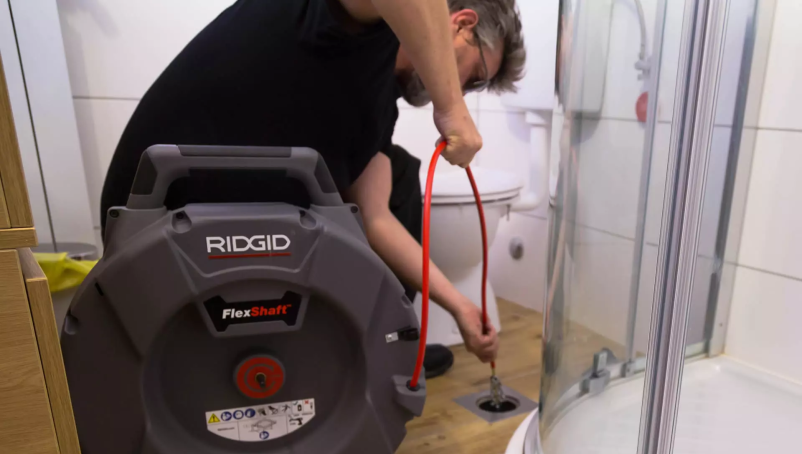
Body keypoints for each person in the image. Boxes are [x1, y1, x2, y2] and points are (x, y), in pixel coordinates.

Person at [100, 0, 525, 375]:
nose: (466, 90)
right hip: (156, 217)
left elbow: (376, 219)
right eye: (476, 77)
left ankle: (385, 344)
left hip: (228, 233)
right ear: (462, 23)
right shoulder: (352, 19)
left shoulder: (380, 105)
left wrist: (459, 306)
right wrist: (451, 107)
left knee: (395, 174)